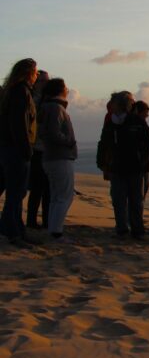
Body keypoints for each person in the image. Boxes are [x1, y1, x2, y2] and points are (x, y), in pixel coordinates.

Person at [97, 91, 149, 239]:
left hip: (135, 168)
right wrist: (102, 162)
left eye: (114, 103)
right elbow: (103, 143)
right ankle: (122, 230)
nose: (112, 106)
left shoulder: (136, 121)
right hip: (116, 168)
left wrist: (139, 158)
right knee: (118, 200)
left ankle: (137, 231)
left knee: (136, 201)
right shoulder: (111, 122)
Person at [0, 58, 40, 247]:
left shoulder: (14, 91)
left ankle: (17, 229)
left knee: (17, 192)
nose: (37, 75)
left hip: (11, 148)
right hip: (16, 149)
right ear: (28, 73)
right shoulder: (20, 92)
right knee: (16, 192)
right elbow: (19, 124)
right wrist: (25, 149)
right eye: (35, 72)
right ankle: (12, 232)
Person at [38, 78, 76, 242]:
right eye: (65, 87)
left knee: (56, 195)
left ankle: (53, 229)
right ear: (60, 90)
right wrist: (69, 141)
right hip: (59, 156)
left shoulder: (48, 107)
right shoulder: (55, 108)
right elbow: (52, 133)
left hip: (52, 156)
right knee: (64, 196)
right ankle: (56, 232)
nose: (67, 90)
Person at [25, 70, 50, 230]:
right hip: (35, 149)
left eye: (47, 81)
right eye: (41, 81)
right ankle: (31, 221)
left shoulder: (49, 100)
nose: (44, 84)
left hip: (47, 150)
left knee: (47, 189)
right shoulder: (31, 99)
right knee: (36, 189)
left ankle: (47, 221)